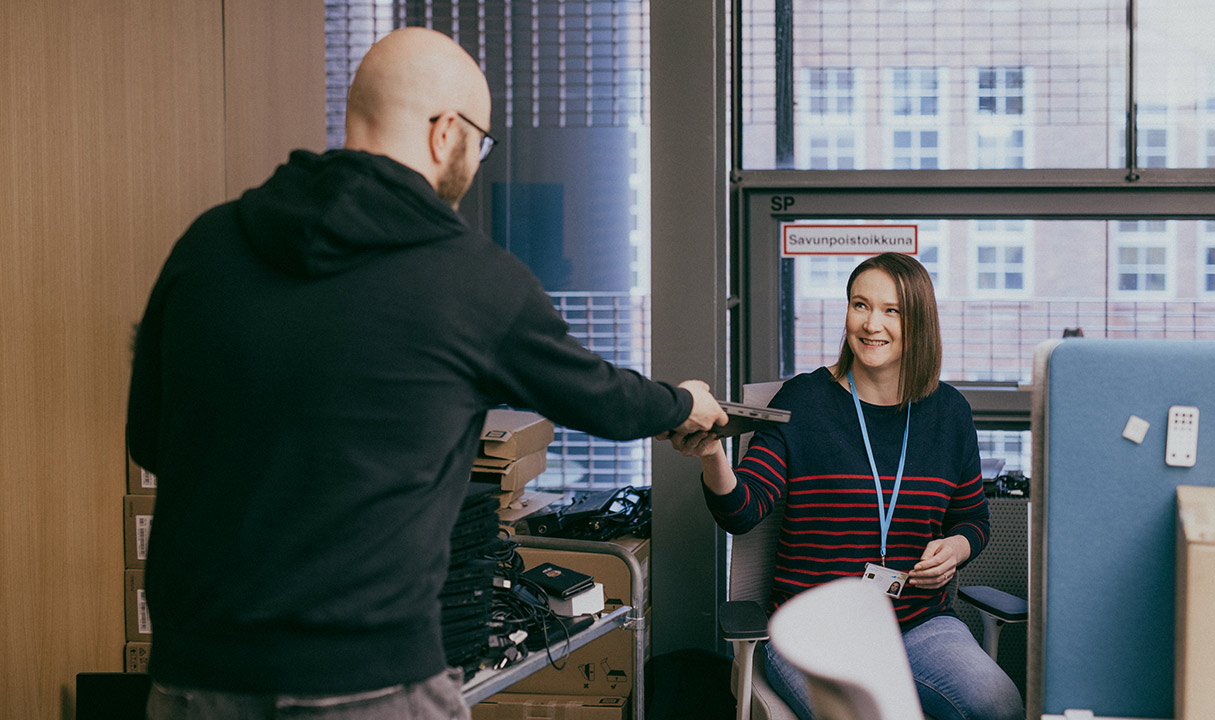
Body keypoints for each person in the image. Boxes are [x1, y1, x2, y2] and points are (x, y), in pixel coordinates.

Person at [126, 27, 726, 720]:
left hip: (194, 675)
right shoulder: (470, 282)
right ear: (446, 133)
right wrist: (683, 403)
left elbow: (150, 440)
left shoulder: (210, 244)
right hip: (366, 678)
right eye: (480, 142)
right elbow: (602, 398)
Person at [666, 252, 1022, 720]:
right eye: (860, 304)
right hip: (817, 627)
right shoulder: (806, 401)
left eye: (892, 310)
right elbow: (742, 509)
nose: (872, 323)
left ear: (919, 322)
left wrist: (955, 549)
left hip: (917, 624)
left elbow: (972, 520)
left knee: (1000, 704)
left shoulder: (949, 413)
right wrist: (713, 454)